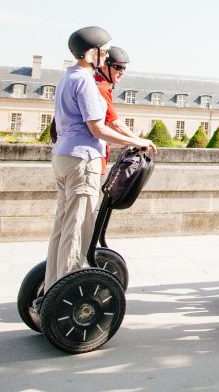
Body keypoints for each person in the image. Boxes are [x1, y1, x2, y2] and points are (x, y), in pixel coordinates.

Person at [44, 27, 156, 293]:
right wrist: (137, 142)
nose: (105, 57)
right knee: (77, 228)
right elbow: (99, 128)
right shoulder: (84, 81)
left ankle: (51, 288)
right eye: (103, 52)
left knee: (62, 226)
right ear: (90, 53)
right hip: (82, 159)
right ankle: (68, 289)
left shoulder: (67, 77)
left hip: (63, 156)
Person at [93, 46, 141, 175]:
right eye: (118, 67)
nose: (122, 72)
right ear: (103, 66)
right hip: (91, 159)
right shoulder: (100, 88)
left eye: (124, 67)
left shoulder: (97, 85)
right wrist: (138, 141)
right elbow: (114, 124)